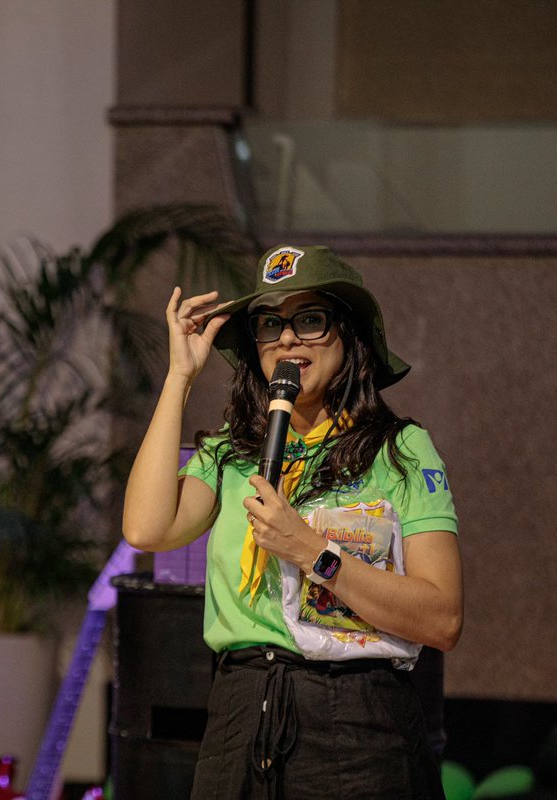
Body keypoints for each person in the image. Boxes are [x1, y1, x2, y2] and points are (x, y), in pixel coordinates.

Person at [123, 245, 462, 799]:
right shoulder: (232, 451)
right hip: (240, 713)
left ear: (349, 337)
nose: (286, 339)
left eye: (309, 320)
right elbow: (146, 528)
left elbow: (443, 618)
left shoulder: (399, 449)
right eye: (269, 324)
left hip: (357, 724)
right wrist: (179, 377)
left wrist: (313, 553)